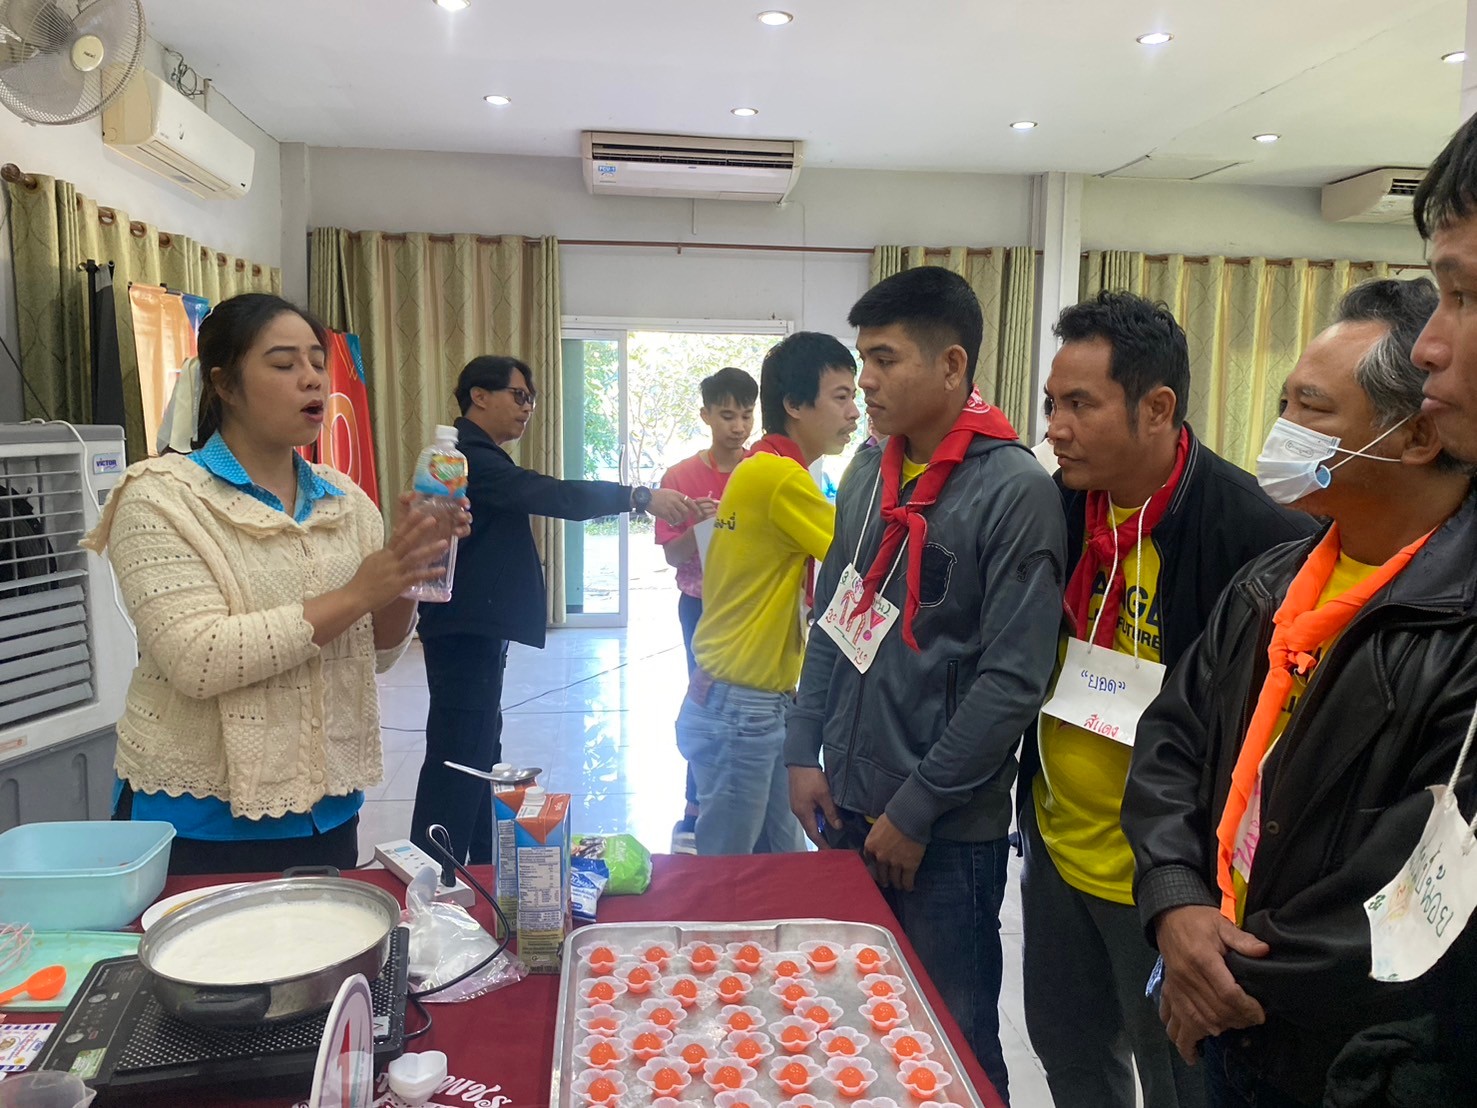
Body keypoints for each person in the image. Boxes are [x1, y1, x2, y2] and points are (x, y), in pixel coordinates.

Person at [1122, 278, 1477, 1107]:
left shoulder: (1457, 622)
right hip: (1220, 992)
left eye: (1309, 408)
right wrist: (1174, 904)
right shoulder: (1270, 582)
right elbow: (1171, 741)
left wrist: (1220, 980)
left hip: (1340, 1050)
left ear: (1415, 434)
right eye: (1283, 401)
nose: (1278, 430)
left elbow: (1417, 884)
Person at [1023, 292, 1315, 1108]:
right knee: (1071, 1059)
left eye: (1080, 405)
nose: (1056, 428)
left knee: (1179, 1081)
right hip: (1056, 850)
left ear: (1156, 408)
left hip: (1166, 883)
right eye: (1051, 404)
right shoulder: (1057, 508)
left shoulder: (1255, 535)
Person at [786, 266, 1066, 1103]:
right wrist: (802, 748)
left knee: (954, 1038)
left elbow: (1010, 680)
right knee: (858, 1014)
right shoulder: (870, 471)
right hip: (850, 799)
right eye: (860, 361)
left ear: (951, 365)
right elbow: (837, 613)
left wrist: (916, 809)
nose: (864, 382)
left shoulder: (1013, 490)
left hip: (944, 832)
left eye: (883, 359)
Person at [83, 293, 460, 875]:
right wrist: (359, 591)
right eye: (284, 364)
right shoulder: (161, 497)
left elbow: (379, 651)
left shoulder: (345, 499)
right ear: (224, 385)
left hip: (327, 814)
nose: (312, 379)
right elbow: (198, 658)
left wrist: (409, 567)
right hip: (199, 824)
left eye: (317, 362)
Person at [410, 355, 697, 863]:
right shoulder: (467, 459)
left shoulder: (478, 457)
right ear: (479, 396)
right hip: (463, 629)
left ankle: (480, 862)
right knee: (459, 755)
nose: (528, 408)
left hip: (472, 626)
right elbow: (554, 495)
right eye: (519, 396)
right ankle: (432, 870)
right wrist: (637, 496)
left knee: (480, 747)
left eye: (533, 400)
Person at [677, 332, 858, 857]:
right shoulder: (780, 476)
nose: (854, 413)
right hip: (743, 704)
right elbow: (862, 553)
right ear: (795, 405)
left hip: (741, 695)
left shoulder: (758, 467)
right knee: (730, 870)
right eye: (841, 397)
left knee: (782, 860)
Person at [655, 366, 758, 847]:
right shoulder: (680, 477)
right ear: (706, 415)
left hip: (755, 607)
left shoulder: (762, 470)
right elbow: (672, 556)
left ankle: (750, 804)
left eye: (746, 415)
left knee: (754, 705)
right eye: (727, 415)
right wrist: (699, 527)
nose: (739, 427)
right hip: (701, 607)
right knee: (706, 702)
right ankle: (695, 805)